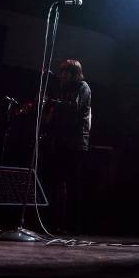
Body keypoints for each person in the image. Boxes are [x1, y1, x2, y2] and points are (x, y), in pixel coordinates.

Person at [42, 59, 92, 234]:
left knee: (72, 186)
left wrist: (52, 103)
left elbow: (75, 108)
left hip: (76, 144)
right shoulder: (64, 89)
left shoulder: (83, 87)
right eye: (61, 72)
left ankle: (72, 226)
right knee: (55, 183)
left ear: (75, 74)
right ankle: (54, 223)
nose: (62, 75)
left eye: (66, 72)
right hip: (62, 141)